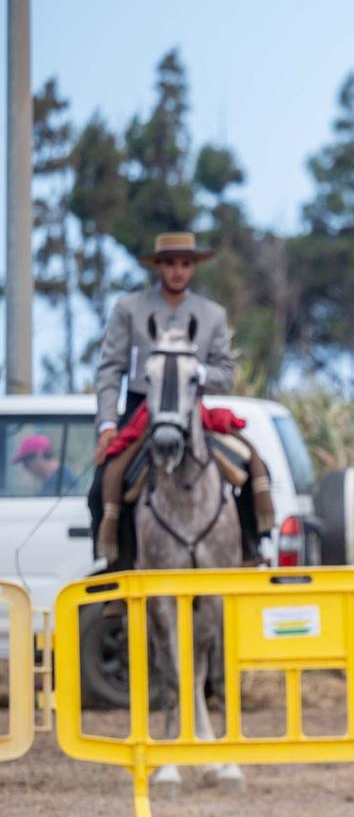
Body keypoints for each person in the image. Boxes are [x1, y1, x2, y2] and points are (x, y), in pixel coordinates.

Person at [88, 231, 243, 570]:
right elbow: (110, 369)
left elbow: (226, 373)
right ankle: (119, 567)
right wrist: (108, 424)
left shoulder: (212, 314)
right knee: (104, 483)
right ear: (157, 266)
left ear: (193, 269)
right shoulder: (128, 308)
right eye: (170, 263)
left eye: (185, 264)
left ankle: (250, 552)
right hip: (143, 409)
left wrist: (195, 373)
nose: (177, 271)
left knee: (253, 466)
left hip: (192, 411)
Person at [14, 434, 82, 494]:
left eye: (26, 463)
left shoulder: (61, 482)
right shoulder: (56, 479)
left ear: (39, 455)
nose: (26, 469)